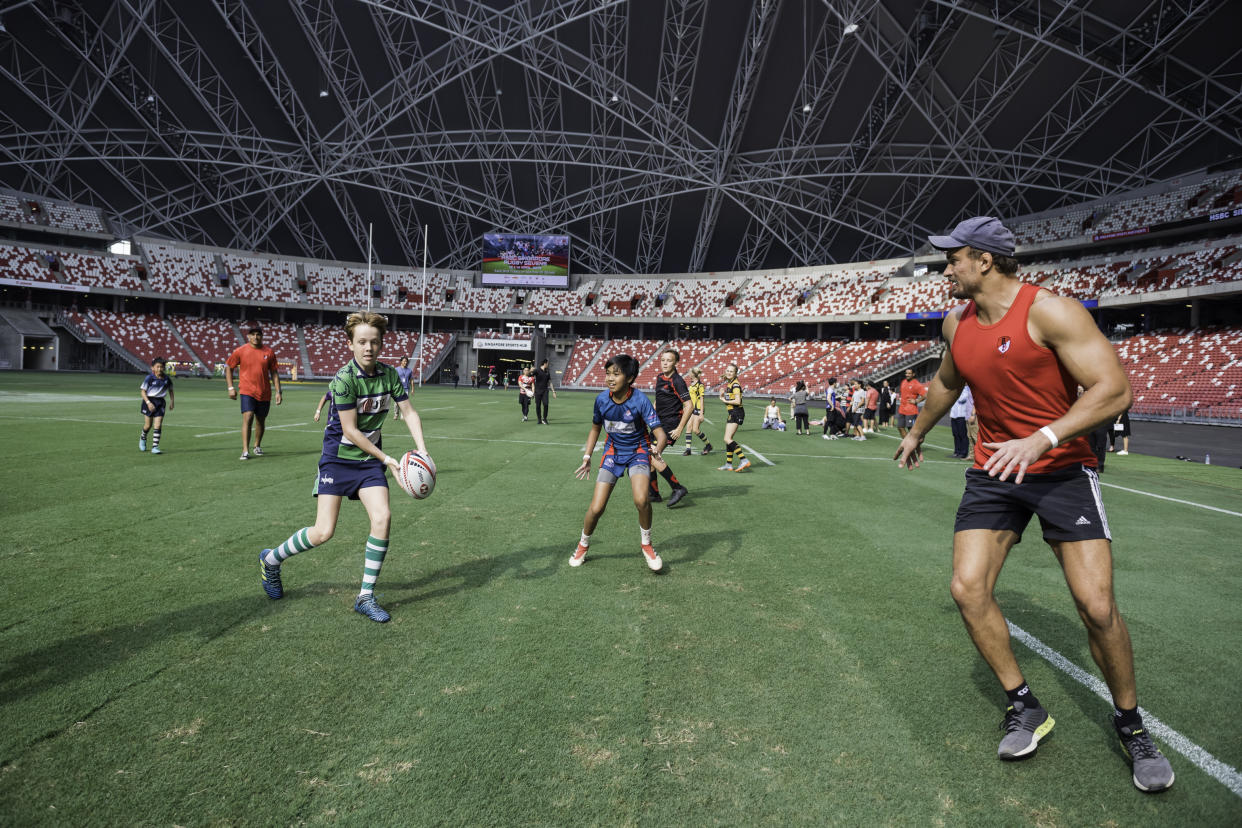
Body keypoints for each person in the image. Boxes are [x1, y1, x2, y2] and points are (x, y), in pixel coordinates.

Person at [894, 215, 1173, 792]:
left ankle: (1130, 725)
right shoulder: (956, 322)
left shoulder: (1051, 311)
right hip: (994, 470)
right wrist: (918, 431)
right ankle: (1025, 706)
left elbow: (1114, 389)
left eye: (954, 258)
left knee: (1096, 608)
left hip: (1062, 468)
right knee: (967, 588)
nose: (946, 268)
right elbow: (948, 381)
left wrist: (1043, 437)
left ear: (985, 261)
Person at [257, 311, 431, 624]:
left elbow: (409, 412)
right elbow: (350, 431)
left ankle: (365, 596)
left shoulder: (390, 375)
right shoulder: (343, 379)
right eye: (362, 341)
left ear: (381, 344)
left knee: (383, 517)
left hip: (367, 462)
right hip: (338, 460)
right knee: (323, 532)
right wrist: (388, 459)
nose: (369, 348)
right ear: (350, 344)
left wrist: (422, 450)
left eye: (374, 342)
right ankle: (271, 560)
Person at [570, 354, 666, 572]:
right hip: (612, 453)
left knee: (642, 500)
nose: (610, 379)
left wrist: (657, 449)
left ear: (630, 378)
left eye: (616, 374)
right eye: (608, 374)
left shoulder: (640, 400)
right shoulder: (602, 400)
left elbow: (659, 433)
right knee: (596, 508)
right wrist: (587, 457)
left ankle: (647, 544)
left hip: (638, 452)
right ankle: (582, 545)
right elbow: (596, 428)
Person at [225, 324, 282, 460]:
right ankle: (245, 450)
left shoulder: (269, 352)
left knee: (260, 421)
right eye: (253, 334)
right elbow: (229, 367)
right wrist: (230, 387)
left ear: (262, 336)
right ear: (248, 336)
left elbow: (274, 373)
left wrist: (278, 391)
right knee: (248, 416)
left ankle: (257, 445)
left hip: (264, 393)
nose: (256, 337)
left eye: (258, 334)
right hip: (247, 391)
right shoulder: (240, 351)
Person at [649, 349, 692, 506]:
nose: (665, 363)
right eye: (663, 360)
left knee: (653, 455)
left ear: (676, 363)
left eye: (669, 360)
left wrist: (680, 428)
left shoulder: (678, 381)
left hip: (670, 425)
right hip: (657, 424)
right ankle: (654, 494)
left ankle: (677, 488)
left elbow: (689, 406)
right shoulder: (659, 377)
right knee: (648, 457)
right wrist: (650, 416)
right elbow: (658, 401)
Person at [716, 364, 750, 471]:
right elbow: (727, 399)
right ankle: (728, 464)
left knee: (727, 438)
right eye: (728, 370)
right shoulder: (730, 383)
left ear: (735, 373)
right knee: (727, 439)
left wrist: (724, 400)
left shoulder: (735, 385)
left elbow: (737, 401)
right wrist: (722, 395)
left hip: (737, 412)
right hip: (733, 412)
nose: (729, 373)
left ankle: (743, 460)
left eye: (731, 371)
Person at [139, 357, 174, 455]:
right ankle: (143, 438)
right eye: (157, 367)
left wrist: (172, 401)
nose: (159, 369)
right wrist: (148, 403)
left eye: (161, 367)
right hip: (149, 401)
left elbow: (171, 390)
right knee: (148, 425)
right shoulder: (149, 378)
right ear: (152, 368)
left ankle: (155, 447)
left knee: (158, 425)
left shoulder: (167, 379)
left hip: (160, 402)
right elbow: (143, 391)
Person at [681, 367, 713, 455]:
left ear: (693, 374)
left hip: (698, 409)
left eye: (690, 372)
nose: (688, 374)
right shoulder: (691, 384)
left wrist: (701, 413)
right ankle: (688, 450)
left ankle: (708, 445)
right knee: (688, 428)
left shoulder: (700, 385)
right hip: (692, 409)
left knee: (695, 430)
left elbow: (702, 399)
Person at [896, 368, 926, 439]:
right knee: (900, 427)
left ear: (913, 374)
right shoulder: (903, 382)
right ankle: (908, 446)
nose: (907, 375)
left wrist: (916, 401)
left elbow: (925, 394)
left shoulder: (916, 384)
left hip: (911, 410)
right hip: (902, 409)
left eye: (909, 373)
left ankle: (917, 448)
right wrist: (901, 398)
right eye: (906, 373)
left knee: (911, 430)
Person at [950, 385, 974, 458]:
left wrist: (954, 394)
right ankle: (957, 451)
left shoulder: (966, 389)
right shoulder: (956, 389)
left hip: (962, 415)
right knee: (955, 434)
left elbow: (961, 399)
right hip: (954, 414)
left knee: (962, 434)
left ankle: (963, 452)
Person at [533, 358, 557, 424]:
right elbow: (530, 375)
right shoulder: (537, 370)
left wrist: (553, 391)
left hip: (545, 391)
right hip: (537, 391)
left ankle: (545, 419)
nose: (548, 365)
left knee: (546, 404)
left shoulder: (547, 372)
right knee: (538, 405)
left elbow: (550, 382)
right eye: (547, 364)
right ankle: (539, 419)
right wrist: (531, 371)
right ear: (545, 363)